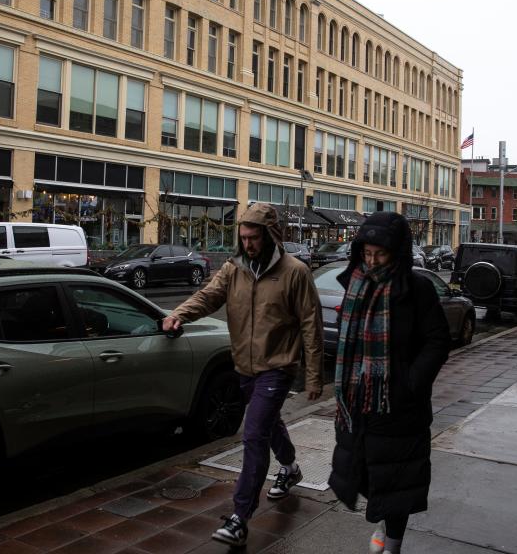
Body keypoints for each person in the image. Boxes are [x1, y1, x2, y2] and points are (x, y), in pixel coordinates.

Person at [162, 203, 323, 547]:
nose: (248, 244)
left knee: (253, 433)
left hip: (277, 367)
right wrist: (180, 314)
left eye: (254, 237)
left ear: (270, 235)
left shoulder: (295, 272)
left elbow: (311, 324)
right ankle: (291, 468)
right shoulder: (233, 269)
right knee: (268, 423)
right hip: (245, 366)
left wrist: (313, 376)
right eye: (244, 237)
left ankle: (240, 516)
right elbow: (208, 297)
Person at [327, 212, 452, 554]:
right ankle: (386, 520)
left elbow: (437, 341)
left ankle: (392, 542)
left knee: (397, 484)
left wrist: (410, 383)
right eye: (366, 254)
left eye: (379, 254)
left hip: (399, 406)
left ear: (397, 253)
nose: (371, 261)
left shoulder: (418, 289)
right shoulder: (355, 284)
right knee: (365, 474)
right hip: (359, 403)